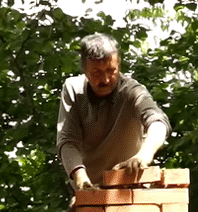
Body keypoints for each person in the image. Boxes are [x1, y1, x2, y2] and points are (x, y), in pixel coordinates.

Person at [56, 33, 171, 191]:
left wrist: (144, 155)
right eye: (97, 73)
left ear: (119, 65)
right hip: (90, 189)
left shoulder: (132, 91)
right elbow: (67, 141)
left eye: (111, 71)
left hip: (130, 189)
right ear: (85, 70)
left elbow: (157, 122)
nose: (105, 79)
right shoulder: (73, 89)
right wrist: (80, 177)